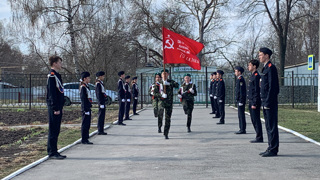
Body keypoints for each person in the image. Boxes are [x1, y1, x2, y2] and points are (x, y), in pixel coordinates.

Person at [258, 47, 279, 157]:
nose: (259, 57)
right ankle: (270, 146)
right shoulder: (265, 68)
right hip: (265, 102)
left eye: (261, 54)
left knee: (272, 126)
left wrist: (267, 102)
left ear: (267, 55)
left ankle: (273, 149)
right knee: (268, 126)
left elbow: (273, 88)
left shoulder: (271, 68)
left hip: (269, 103)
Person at [46, 55, 66, 159]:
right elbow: (52, 94)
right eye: (59, 62)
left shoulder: (57, 75)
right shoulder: (52, 76)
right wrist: (55, 108)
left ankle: (55, 150)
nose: (61, 64)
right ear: (54, 63)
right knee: (53, 129)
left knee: (56, 129)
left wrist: (60, 106)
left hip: (58, 106)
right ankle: (52, 152)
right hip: (54, 107)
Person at [158, 69, 179, 139]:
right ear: (161, 75)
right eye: (163, 74)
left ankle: (166, 133)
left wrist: (169, 84)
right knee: (160, 112)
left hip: (169, 103)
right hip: (161, 101)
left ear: (168, 74)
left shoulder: (171, 81)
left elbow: (177, 85)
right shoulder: (158, 83)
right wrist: (161, 95)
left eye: (166, 73)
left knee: (168, 118)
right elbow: (154, 92)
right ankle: (159, 126)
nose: (164, 75)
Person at [247, 59, 263, 143]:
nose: (248, 67)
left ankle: (259, 137)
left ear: (254, 66)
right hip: (251, 100)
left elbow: (257, 91)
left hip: (254, 102)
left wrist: (254, 103)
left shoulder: (257, 76)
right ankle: (258, 135)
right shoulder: (253, 75)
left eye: (250, 65)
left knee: (256, 120)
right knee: (253, 120)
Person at [80, 71, 93, 144]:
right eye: (88, 78)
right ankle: (84, 139)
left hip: (88, 107)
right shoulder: (83, 87)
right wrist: (85, 109)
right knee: (85, 124)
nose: (89, 79)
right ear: (85, 79)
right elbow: (84, 99)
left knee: (88, 124)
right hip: (85, 108)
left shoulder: (86, 86)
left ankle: (86, 138)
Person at [234, 66, 247, 134]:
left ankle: (242, 129)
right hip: (239, 100)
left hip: (241, 100)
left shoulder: (241, 79)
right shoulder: (239, 79)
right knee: (240, 115)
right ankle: (241, 128)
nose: (235, 73)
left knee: (241, 115)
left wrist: (241, 100)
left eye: (236, 71)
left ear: (239, 72)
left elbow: (242, 91)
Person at [95, 71, 107, 135]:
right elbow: (98, 94)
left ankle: (101, 129)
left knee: (103, 116)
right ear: (100, 76)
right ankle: (100, 130)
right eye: (103, 76)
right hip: (101, 102)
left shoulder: (101, 83)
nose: (104, 77)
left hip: (103, 101)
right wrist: (100, 103)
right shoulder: (98, 84)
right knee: (101, 116)